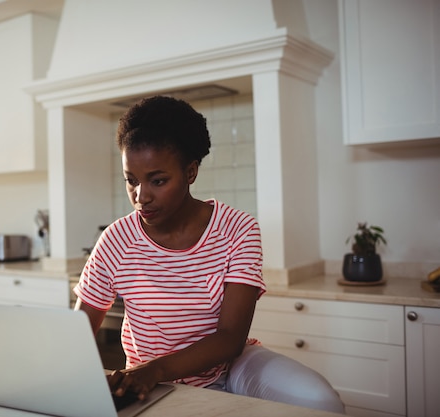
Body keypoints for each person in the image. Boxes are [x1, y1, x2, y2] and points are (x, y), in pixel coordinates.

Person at [74, 96, 345, 414]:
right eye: (131, 181)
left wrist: (154, 370)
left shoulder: (237, 229)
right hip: (151, 382)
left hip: (228, 368)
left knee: (321, 401)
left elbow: (230, 337)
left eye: (158, 181)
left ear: (191, 172)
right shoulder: (117, 239)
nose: (141, 196)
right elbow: (80, 326)